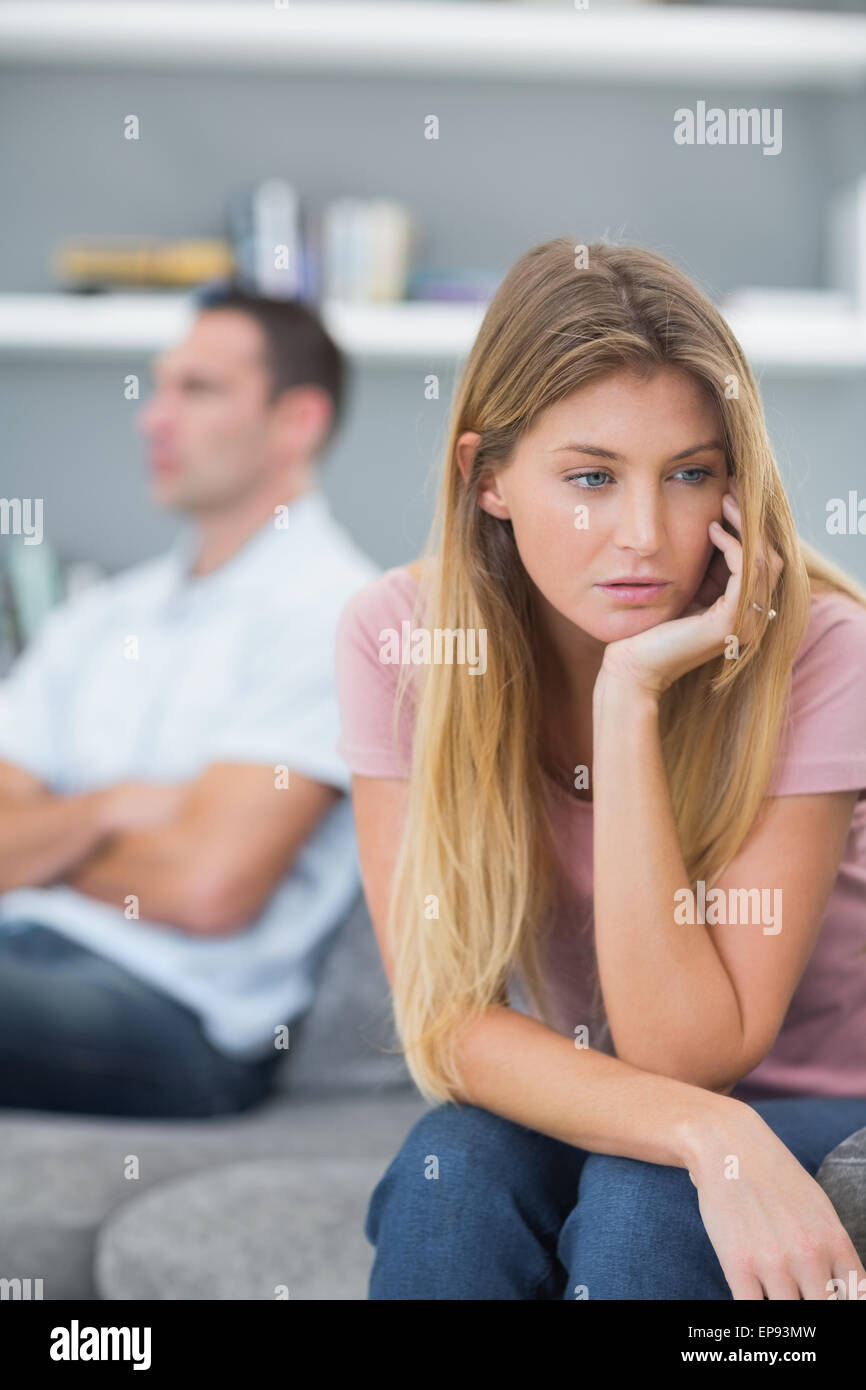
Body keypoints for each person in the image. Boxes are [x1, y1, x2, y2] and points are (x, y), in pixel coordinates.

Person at [335, 238, 866, 1300]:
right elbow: (446, 1020)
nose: (643, 535)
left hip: (832, 1102)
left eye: (688, 475)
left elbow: (688, 1052)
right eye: (589, 477)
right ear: (485, 478)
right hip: (651, 1104)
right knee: (452, 1171)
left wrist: (625, 699)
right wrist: (705, 1134)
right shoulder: (401, 637)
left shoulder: (820, 650)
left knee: (641, 1200)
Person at [0, 286, 378, 1119]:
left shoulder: (339, 617)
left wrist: (44, 832)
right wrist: (109, 810)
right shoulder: (104, 615)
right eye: (160, 385)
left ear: (297, 421)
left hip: (176, 1015)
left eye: (197, 390)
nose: (152, 417)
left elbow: (208, 889)